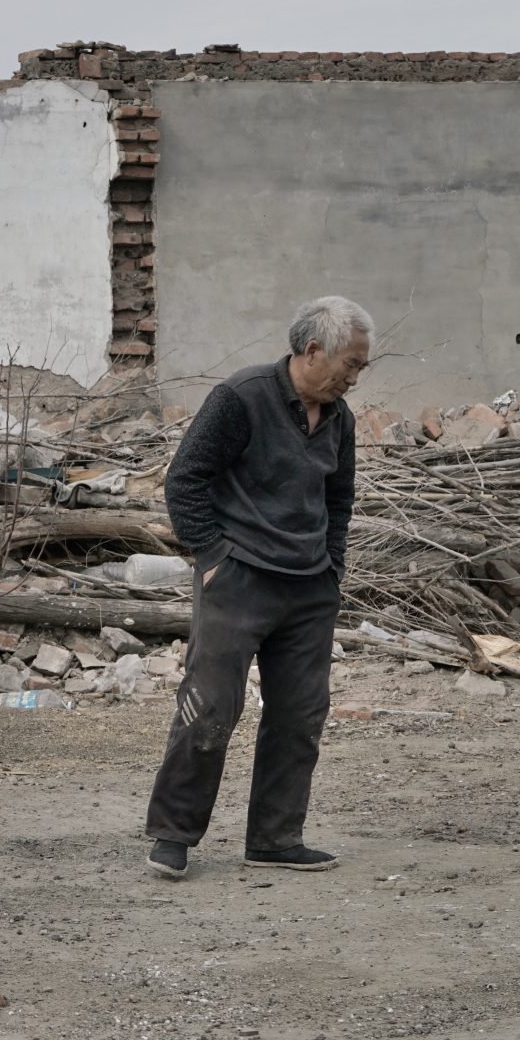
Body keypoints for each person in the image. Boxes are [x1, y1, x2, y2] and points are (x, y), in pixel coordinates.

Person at [145, 297, 372, 879]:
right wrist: (213, 556)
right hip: (238, 578)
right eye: (350, 363)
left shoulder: (339, 418)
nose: (355, 375)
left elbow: (339, 499)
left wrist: (333, 566)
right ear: (312, 350)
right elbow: (185, 480)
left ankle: (274, 838)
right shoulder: (241, 397)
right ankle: (173, 835)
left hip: (309, 586)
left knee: (300, 716)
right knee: (212, 707)